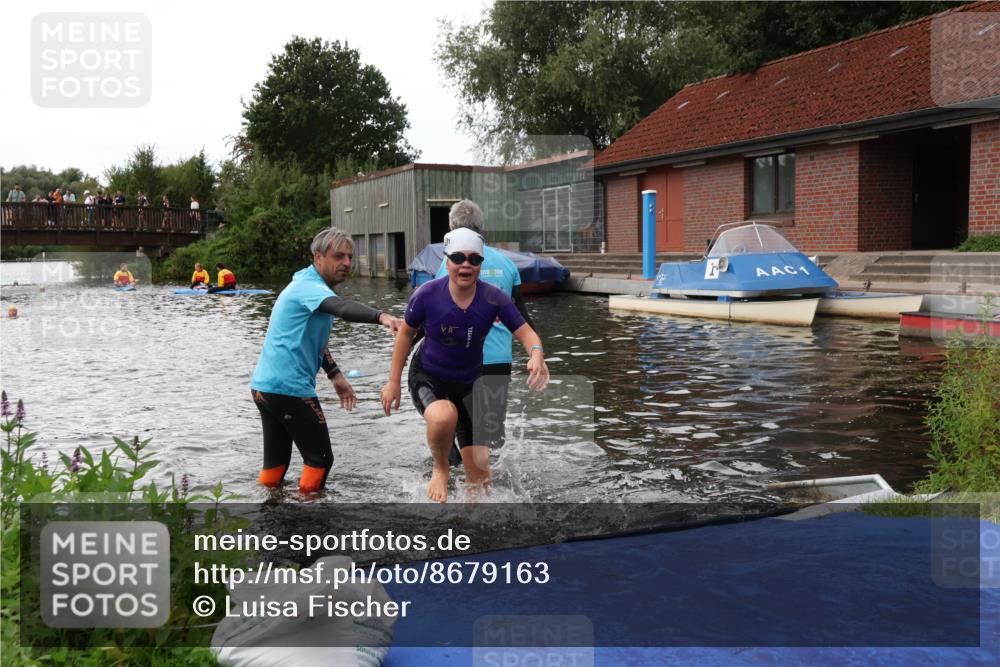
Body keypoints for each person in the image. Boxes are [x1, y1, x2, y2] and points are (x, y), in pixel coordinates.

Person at [380, 228, 549, 503]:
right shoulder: (427, 294)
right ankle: (440, 467)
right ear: (446, 261)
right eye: (458, 257)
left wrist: (536, 354)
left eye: (474, 259)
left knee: (481, 480)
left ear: (481, 264)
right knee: (444, 415)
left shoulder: (493, 298)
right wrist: (392, 382)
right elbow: (406, 334)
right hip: (428, 376)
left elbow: (527, 333)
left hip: (470, 383)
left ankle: (469, 528)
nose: (466, 265)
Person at [250, 227, 402, 494]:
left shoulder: (307, 284)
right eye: (338, 256)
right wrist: (383, 317)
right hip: (289, 390)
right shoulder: (311, 288)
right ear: (318, 257)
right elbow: (342, 308)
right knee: (320, 460)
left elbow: (312, 340)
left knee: (276, 463)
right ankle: (309, 519)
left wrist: (335, 376)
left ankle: (270, 513)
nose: (346, 263)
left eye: (350, 257)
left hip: (265, 388)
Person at [433, 200, 533, 466]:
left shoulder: (449, 265)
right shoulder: (507, 265)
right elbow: (522, 318)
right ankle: (495, 484)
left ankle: (454, 480)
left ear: (451, 228)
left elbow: (434, 317)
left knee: (457, 427)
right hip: (498, 361)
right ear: (483, 229)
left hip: (459, 361)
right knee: (493, 430)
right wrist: (536, 353)